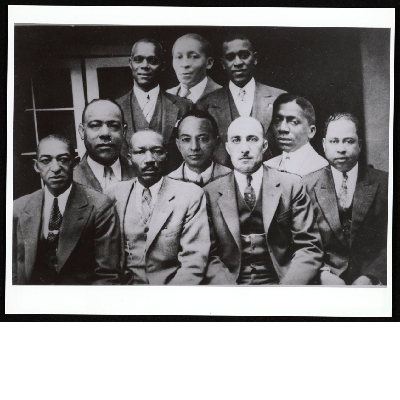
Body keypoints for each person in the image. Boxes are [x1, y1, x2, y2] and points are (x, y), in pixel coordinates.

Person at [203, 116, 323, 285]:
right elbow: (209, 254)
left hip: (281, 283)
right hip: (231, 287)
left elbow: (308, 247)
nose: (244, 149)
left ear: (264, 146)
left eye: (252, 139)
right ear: (228, 148)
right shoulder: (210, 193)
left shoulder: (292, 186)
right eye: (236, 140)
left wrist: (286, 289)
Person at [104, 129, 210, 285]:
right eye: (140, 152)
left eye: (157, 151)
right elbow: (106, 260)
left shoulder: (190, 195)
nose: (149, 159)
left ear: (166, 155)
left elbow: (194, 260)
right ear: (129, 158)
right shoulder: (113, 195)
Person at [13, 135, 120, 285]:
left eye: (63, 159)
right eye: (46, 161)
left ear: (75, 163)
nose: (56, 168)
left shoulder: (100, 206)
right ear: (36, 166)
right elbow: (13, 273)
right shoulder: (18, 208)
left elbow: (107, 275)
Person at [303, 113, 388, 285]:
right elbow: (300, 242)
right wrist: (322, 274)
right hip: (324, 281)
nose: (341, 148)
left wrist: (371, 277)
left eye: (349, 141)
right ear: (324, 144)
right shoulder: (305, 185)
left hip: (372, 282)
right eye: (334, 141)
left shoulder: (385, 183)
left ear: (360, 145)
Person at [197, 32, 286, 167]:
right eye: (230, 57)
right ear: (223, 63)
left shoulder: (279, 98)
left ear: (255, 58)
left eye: (244, 55)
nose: (238, 63)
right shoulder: (206, 104)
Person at [116, 38, 192, 173]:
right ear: (130, 63)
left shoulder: (184, 107)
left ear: (162, 66)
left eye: (152, 60)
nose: (145, 65)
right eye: (138, 59)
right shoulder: (115, 108)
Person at [74, 99, 136, 192]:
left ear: (124, 132)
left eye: (113, 126)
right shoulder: (69, 181)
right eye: (95, 125)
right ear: (82, 131)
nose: (105, 133)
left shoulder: (139, 175)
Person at [264, 94, 328, 176]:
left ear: (311, 131)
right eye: (277, 121)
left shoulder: (323, 169)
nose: (282, 128)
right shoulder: (267, 167)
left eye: (294, 122)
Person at [168, 110, 231, 186]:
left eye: (203, 139)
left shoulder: (231, 177)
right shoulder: (168, 181)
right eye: (186, 139)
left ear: (216, 142)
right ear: (178, 144)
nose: (194, 147)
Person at [166, 33, 222, 104]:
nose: (184, 64)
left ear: (209, 63)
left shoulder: (225, 96)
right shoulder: (166, 96)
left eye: (193, 57)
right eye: (179, 57)